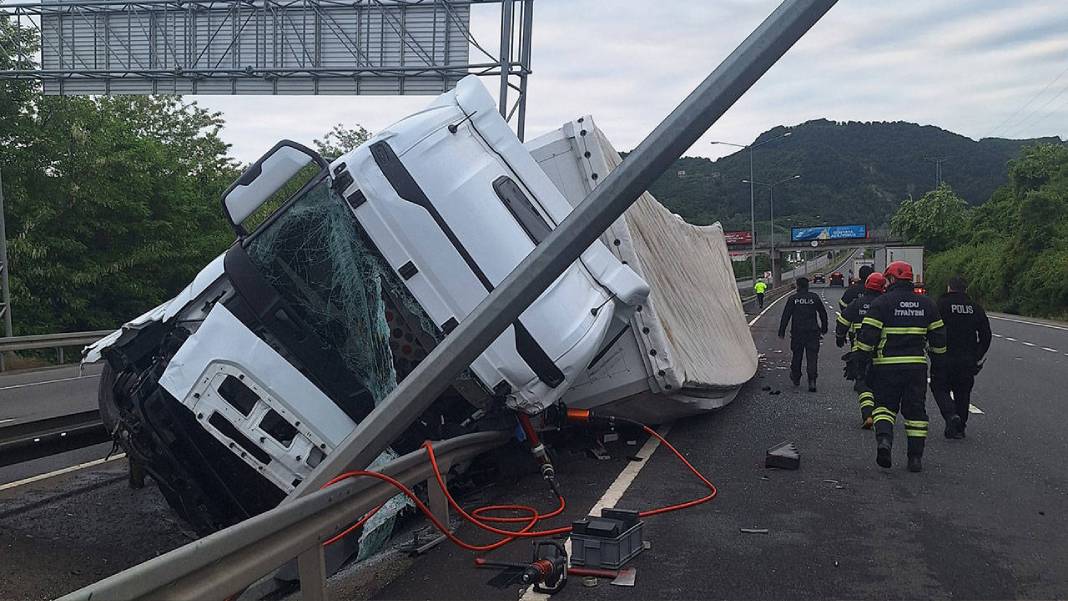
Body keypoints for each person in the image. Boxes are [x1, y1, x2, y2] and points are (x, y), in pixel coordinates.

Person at [854, 261, 946, 472]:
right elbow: (939, 338)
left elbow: (867, 337)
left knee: (884, 407)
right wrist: (939, 365)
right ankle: (915, 458)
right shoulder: (927, 304)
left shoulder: (882, 303)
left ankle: (884, 442)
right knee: (915, 412)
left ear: (892, 279)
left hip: (886, 367)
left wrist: (861, 363)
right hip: (916, 368)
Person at [930, 276, 991, 439]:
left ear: (949, 288)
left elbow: (930, 329)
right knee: (963, 392)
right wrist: (977, 355)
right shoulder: (975, 307)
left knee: (939, 387)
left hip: (944, 356)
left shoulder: (941, 305)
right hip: (967, 359)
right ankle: (959, 428)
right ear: (966, 290)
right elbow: (986, 335)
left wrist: (932, 350)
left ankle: (951, 416)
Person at [836, 271, 886, 429]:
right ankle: (882, 415)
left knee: (862, 382)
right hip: (884, 352)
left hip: (860, 348)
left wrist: (839, 336)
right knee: (880, 383)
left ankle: (867, 413)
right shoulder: (886, 303)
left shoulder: (858, 303)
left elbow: (843, 319)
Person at [778, 277, 828, 392]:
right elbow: (823, 313)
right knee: (812, 357)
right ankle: (812, 381)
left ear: (798, 286)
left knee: (797, 355)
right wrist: (824, 328)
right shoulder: (814, 298)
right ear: (807, 286)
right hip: (812, 332)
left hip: (797, 333)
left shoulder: (793, 299)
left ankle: (796, 376)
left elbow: (786, 315)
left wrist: (782, 331)